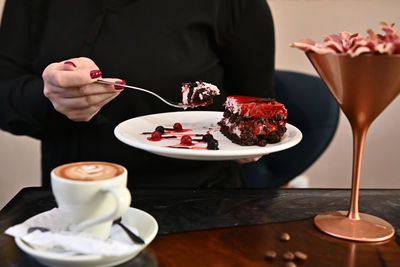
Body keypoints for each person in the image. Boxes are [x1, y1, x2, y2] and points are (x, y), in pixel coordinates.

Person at [0, 0, 275, 188]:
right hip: (75, 199)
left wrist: (249, 141)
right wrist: (52, 97)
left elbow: (257, 107)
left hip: (201, 202)